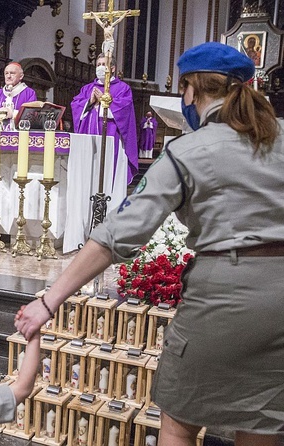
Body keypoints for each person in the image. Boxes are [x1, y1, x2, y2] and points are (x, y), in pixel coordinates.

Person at [16, 42, 283, 446]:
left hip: (226, 298)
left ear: (191, 90)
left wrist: (48, 302)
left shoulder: (188, 150)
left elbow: (117, 236)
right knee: (263, 421)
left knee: (180, 419)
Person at [70, 54, 138, 185]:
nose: (100, 67)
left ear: (112, 68)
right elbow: (75, 105)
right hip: (89, 139)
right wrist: (89, 102)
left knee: (108, 176)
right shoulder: (88, 88)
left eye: (103, 64)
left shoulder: (123, 88)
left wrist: (104, 100)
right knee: (90, 177)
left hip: (112, 137)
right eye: (98, 65)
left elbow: (124, 110)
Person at [0, 62, 37, 130]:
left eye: (12, 73)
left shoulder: (29, 93)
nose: (8, 76)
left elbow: (32, 114)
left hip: (19, 137)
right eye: (6, 73)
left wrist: (13, 114)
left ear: (21, 76)